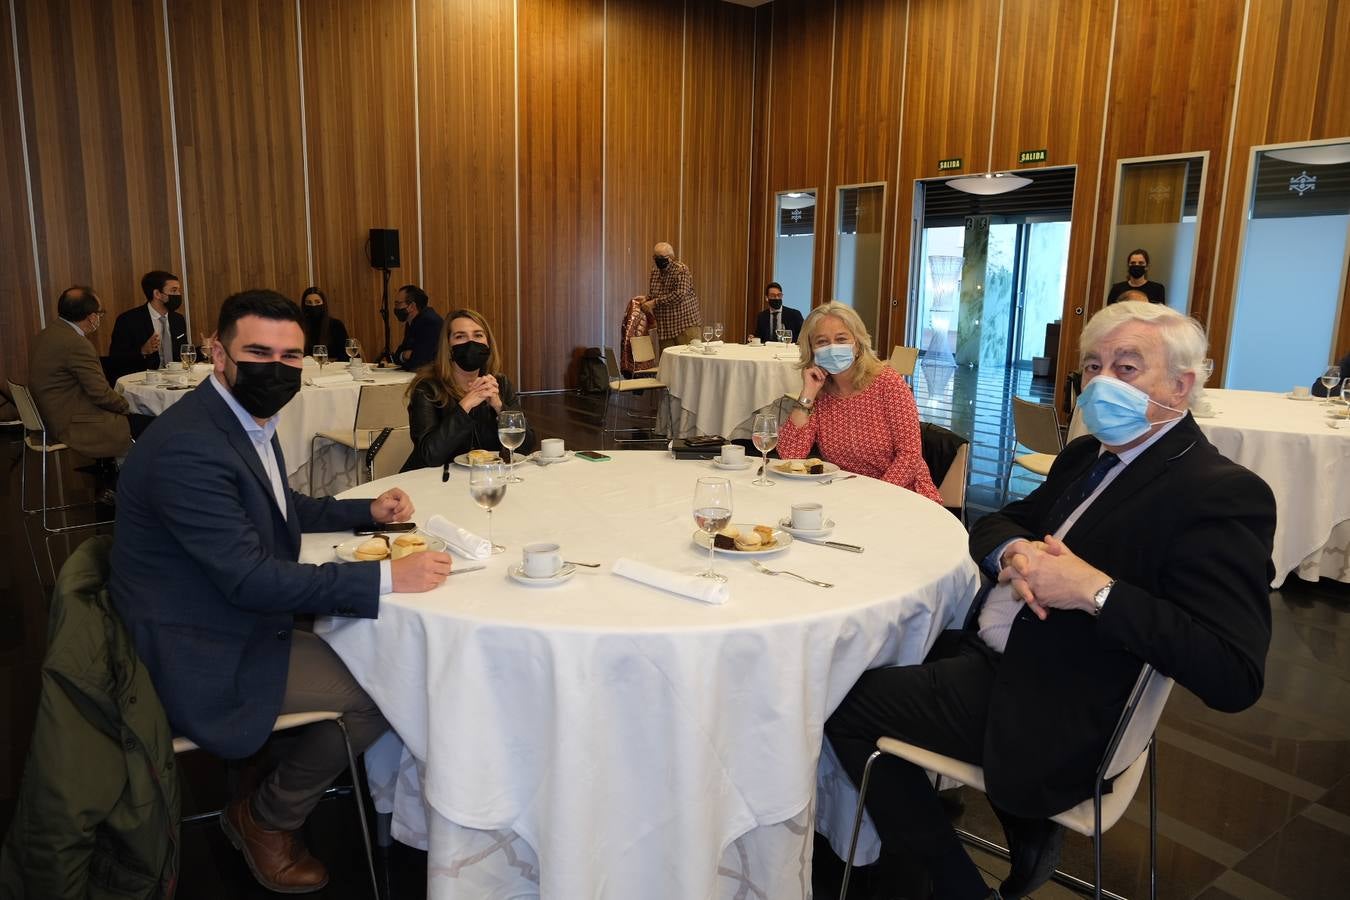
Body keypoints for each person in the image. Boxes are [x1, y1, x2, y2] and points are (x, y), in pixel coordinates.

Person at [824, 302, 1275, 900]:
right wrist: (1011, 550)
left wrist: (1095, 591)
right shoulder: (1090, 457)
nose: (1102, 383)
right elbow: (1003, 520)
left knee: (839, 704)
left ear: (1183, 385)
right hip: (1007, 650)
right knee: (876, 648)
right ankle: (1015, 825)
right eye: (1092, 367)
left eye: (1127, 367)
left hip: (1059, 699)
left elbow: (1232, 673)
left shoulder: (1220, 494)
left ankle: (958, 885)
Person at [110, 289, 454, 893]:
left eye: (291, 356)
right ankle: (266, 818)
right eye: (259, 352)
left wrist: (362, 509)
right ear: (219, 353)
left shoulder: (234, 418)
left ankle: (269, 782)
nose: (278, 368)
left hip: (216, 608)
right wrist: (384, 577)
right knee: (384, 685)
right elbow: (249, 580)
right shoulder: (191, 448)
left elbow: (276, 503)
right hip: (199, 644)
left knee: (373, 653)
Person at [777, 302, 941, 503]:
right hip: (845, 497)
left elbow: (910, 456)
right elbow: (789, 455)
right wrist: (807, 394)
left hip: (902, 494)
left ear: (857, 344)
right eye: (822, 342)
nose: (833, 348)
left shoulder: (887, 382)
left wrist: (872, 498)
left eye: (841, 339)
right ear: (811, 350)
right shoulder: (820, 394)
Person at [401, 308, 536, 471]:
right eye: (460, 336)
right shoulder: (427, 388)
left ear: (488, 344)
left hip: (485, 478)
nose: (471, 343)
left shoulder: (500, 383)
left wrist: (500, 408)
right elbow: (430, 455)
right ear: (448, 347)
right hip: (436, 481)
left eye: (478, 335)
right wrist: (465, 406)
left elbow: (525, 447)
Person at [28, 286, 132, 466]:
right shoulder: (76, 344)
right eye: (100, 313)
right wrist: (128, 406)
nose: (99, 318)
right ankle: (125, 485)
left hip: (46, 417)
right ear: (92, 316)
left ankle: (116, 480)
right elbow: (100, 394)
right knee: (143, 422)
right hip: (69, 422)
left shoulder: (46, 334)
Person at [109, 270, 189, 373]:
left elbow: (183, 354)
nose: (178, 294)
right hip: (144, 380)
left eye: (178, 290)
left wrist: (204, 349)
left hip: (177, 378)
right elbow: (116, 359)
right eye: (174, 291)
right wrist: (142, 351)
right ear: (157, 294)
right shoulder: (128, 320)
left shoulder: (178, 319)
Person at [642, 242, 702, 347]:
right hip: (666, 328)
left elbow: (679, 295)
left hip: (684, 325)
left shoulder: (681, 270)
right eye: (655, 256)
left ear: (670, 257)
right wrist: (646, 298)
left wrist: (654, 303)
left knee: (687, 361)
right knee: (668, 361)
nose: (657, 259)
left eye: (661, 257)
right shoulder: (655, 271)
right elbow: (656, 293)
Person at [392, 284, 443, 371]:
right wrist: (404, 355)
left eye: (398, 304)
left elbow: (420, 363)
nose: (396, 307)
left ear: (412, 306)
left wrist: (409, 356)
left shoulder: (430, 322)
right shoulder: (412, 321)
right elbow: (397, 356)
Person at [298, 286, 350, 361]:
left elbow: (345, 354)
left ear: (323, 303)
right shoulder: (298, 326)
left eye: (317, 302)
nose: (313, 306)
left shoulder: (336, 325)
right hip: (306, 369)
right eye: (309, 302)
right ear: (304, 305)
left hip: (333, 369)